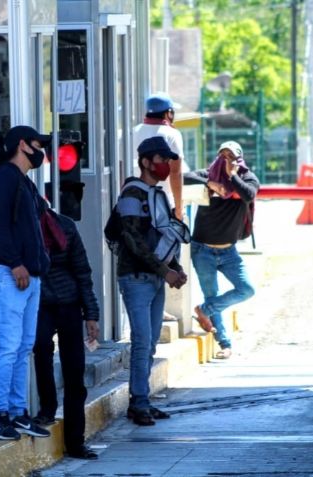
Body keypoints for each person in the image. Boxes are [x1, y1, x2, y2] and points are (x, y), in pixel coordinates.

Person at [0, 125, 53, 441]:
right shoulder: (5, 178)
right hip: (11, 275)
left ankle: (17, 412)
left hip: (30, 276)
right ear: (23, 145)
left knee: (24, 346)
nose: (42, 151)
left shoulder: (24, 182)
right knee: (9, 346)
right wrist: (15, 264)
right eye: (38, 144)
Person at [116, 136, 188, 426]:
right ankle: (140, 402)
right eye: (161, 159)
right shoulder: (132, 195)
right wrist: (166, 271)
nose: (166, 165)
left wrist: (175, 267)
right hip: (136, 277)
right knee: (142, 341)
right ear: (146, 161)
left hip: (155, 278)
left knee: (151, 342)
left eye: (169, 160)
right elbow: (132, 240)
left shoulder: (156, 194)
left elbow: (164, 234)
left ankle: (141, 399)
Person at [32, 199, 100, 460]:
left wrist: (91, 314)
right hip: (39, 305)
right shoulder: (23, 229)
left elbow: (82, 271)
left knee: (75, 374)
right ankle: (47, 409)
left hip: (69, 304)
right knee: (41, 349)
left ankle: (76, 441)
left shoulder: (65, 227)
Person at [191, 141, 259, 360]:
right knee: (212, 294)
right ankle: (224, 344)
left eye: (231, 156)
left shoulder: (247, 179)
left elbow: (248, 194)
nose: (226, 161)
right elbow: (183, 177)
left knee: (246, 289)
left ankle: (204, 310)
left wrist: (232, 176)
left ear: (239, 159)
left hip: (229, 251)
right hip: (202, 249)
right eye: (223, 156)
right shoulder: (208, 175)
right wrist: (210, 183)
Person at [132, 93, 186, 220]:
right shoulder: (172, 134)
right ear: (168, 113)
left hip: (134, 201)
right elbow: (175, 173)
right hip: (163, 203)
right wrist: (179, 209)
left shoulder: (132, 132)